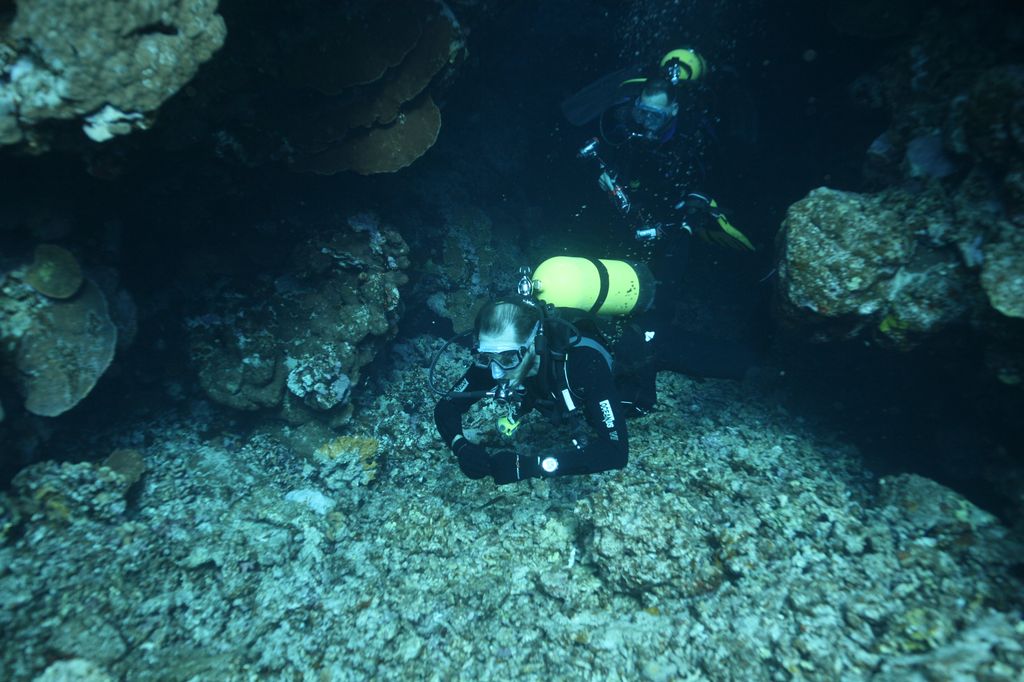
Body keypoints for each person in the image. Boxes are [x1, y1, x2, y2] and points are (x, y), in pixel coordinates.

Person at [564, 47, 754, 253]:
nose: (646, 122)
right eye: (642, 113)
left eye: (655, 116)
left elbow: (711, 170)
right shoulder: (626, 119)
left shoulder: (692, 132)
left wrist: (695, 204)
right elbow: (601, 146)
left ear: (673, 110)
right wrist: (603, 172)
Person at [434, 297, 629, 486]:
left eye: (508, 358)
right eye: (484, 356)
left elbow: (615, 452)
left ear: (535, 345)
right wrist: (460, 446)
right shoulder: (496, 357)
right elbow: (446, 407)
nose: (495, 372)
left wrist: (531, 467)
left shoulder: (583, 363)